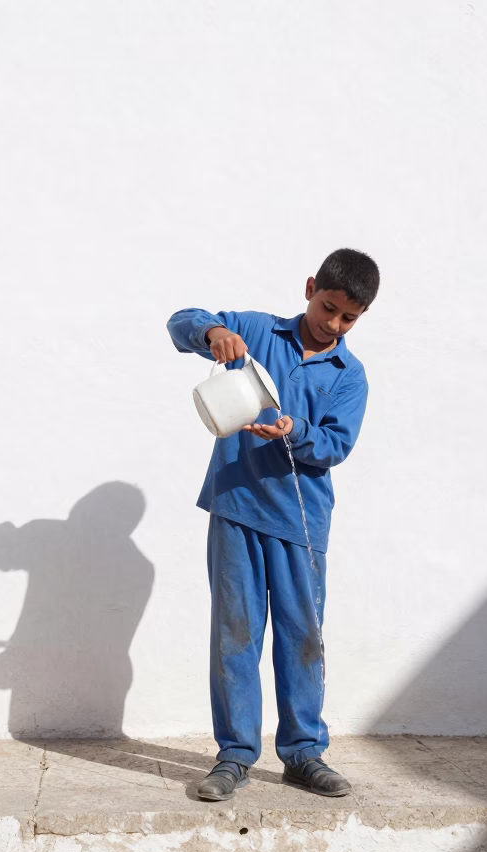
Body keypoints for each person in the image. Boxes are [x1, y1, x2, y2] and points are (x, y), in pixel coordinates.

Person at [167, 248, 379, 801]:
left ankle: (304, 752)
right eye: (328, 307)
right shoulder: (256, 332)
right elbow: (180, 321)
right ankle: (234, 756)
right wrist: (212, 332)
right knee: (235, 634)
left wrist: (293, 429)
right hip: (235, 507)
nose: (333, 323)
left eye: (348, 318)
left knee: (301, 637)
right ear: (310, 286)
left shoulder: (350, 375)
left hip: (301, 522)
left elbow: (336, 444)